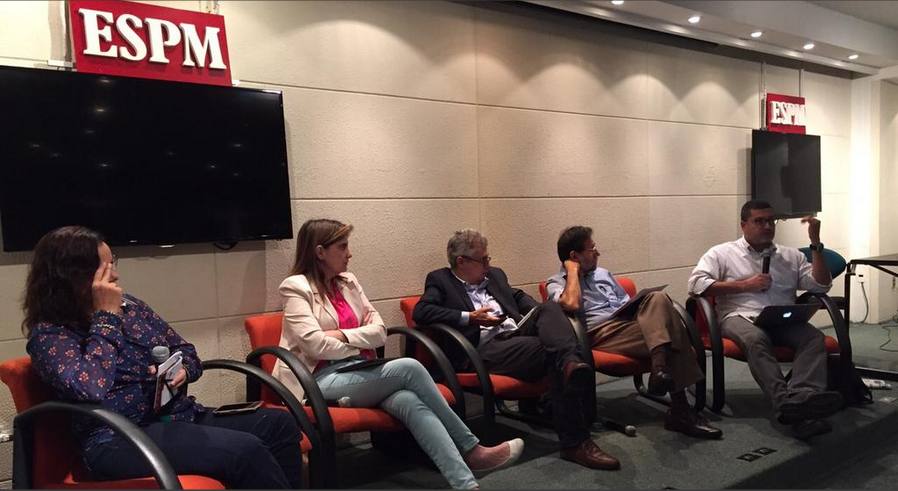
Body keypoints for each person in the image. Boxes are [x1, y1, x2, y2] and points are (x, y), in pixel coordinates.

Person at [23, 226, 303, 489]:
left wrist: (184, 370)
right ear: (73, 276)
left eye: (114, 264)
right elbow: (90, 386)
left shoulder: (131, 307)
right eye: (105, 269)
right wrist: (105, 318)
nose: (116, 276)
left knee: (279, 424)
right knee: (245, 451)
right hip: (118, 438)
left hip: (176, 417)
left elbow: (186, 350)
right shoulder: (51, 336)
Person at [274, 219, 523, 490]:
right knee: (409, 367)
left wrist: (342, 337)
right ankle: (472, 448)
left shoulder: (349, 281)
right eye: (342, 247)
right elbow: (313, 346)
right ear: (320, 252)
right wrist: (360, 340)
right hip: (317, 380)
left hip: (359, 371)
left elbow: (379, 331)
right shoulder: (295, 287)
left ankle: (466, 485)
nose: (350, 253)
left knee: (408, 401)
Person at [413, 229, 620, 471]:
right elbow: (421, 312)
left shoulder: (495, 276)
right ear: (461, 261)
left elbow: (518, 297)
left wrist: (541, 314)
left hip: (516, 334)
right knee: (553, 352)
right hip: (484, 349)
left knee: (550, 308)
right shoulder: (441, 280)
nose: (488, 265)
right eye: (484, 260)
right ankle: (576, 441)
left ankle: (570, 363)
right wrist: (469, 318)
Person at [547, 225, 722, 440]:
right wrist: (573, 271)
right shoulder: (556, 283)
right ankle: (680, 408)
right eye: (591, 249)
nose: (597, 253)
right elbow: (571, 305)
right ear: (574, 256)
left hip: (627, 324)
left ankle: (660, 369)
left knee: (658, 299)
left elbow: (626, 303)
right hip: (600, 333)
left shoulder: (603, 274)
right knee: (672, 330)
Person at [687, 199, 843, 440]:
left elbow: (821, 285)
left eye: (771, 220)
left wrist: (815, 244)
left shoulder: (791, 255)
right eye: (759, 221)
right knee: (756, 339)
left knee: (814, 338)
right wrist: (744, 285)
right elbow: (696, 285)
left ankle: (802, 398)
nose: (767, 226)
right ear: (743, 225)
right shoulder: (722, 253)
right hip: (738, 316)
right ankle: (786, 405)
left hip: (781, 318)